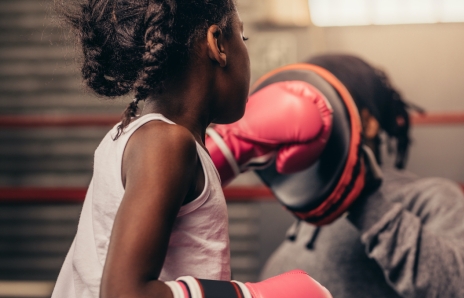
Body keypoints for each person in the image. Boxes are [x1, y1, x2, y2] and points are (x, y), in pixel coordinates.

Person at [51, 1, 332, 298]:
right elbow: (124, 293)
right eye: (242, 36)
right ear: (217, 44)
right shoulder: (166, 143)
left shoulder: (138, 137)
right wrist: (251, 295)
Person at [206, 54, 464, 297]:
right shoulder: (305, 220)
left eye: (324, 108)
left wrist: (367, 202)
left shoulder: (428, 196)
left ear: (369, 123)